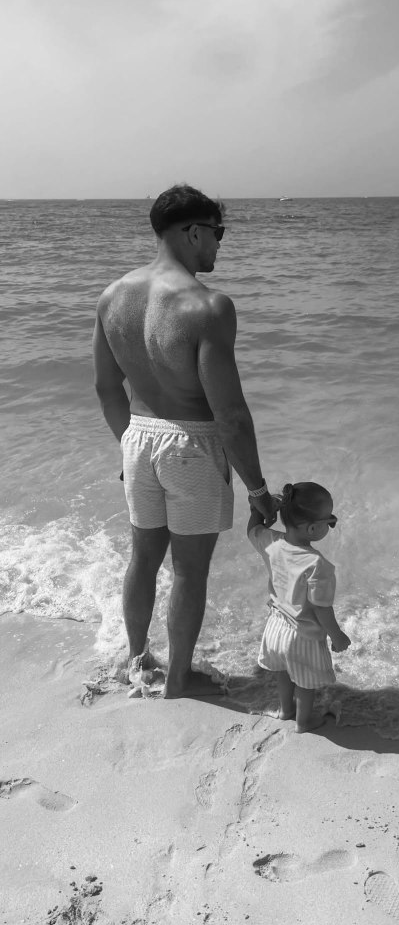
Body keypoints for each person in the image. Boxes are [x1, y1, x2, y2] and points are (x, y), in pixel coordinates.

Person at [93, 183, 276, 698]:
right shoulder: (208, 306)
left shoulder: (112, 296)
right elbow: (230, 414)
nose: (219, 244)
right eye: (217, 234)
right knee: (189, 572)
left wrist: (128, 448)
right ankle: (177, 681)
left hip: (139, 436)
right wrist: (258, 492)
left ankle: (138, 661)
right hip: (191, 445)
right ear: (193, 232)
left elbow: (107, 389)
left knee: (142, 559)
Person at [247, 481, 350, 732]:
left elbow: (253, 530)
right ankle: (304, 721)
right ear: (313, 528)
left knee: (283, 672)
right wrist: (337, 636)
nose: (330, 526)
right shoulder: (318, 565)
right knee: (305, 682)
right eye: (330, 522)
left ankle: (286, 710)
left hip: (275, 626)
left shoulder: (271, 542)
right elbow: (321, 609)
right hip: (303, 636)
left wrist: (257, 511)